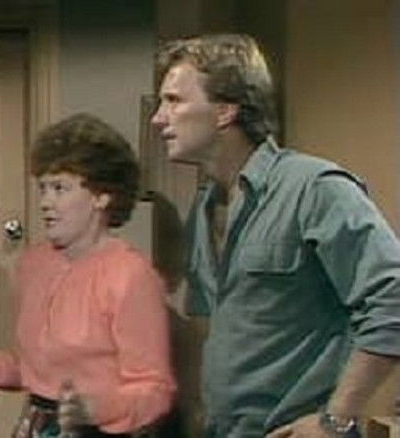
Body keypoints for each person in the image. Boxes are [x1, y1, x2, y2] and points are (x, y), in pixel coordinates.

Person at [151, 33, 400, 437]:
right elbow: (209, 324)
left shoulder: (314, 189)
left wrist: (336, 418)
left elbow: (392, 297)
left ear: (225, 110)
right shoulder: (204, 208)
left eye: (173, 101)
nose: (158, 118)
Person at [0, 113, 176, 437]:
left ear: (102, 196)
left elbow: (155, 390)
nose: (45, 202)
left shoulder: (131, 275)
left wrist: (95, 408)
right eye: (43, 188)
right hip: (37, 425)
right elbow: (34, 368)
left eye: (60, 189)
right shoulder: (35, 264)